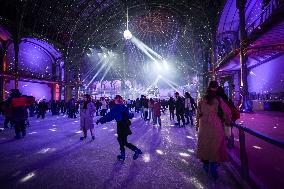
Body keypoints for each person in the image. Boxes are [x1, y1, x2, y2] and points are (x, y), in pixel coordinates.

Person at [196, 81, 231, 179]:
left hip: (204, 125)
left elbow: (198, 113)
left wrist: (197, 125)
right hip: (215, 124)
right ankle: (214, 169)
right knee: (216, 145)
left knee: (205, 145)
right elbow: (227, 112)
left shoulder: (202, 99)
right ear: (216, 88)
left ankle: (206, 166)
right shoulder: (218, 99)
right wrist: (226, 120)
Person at [96, 95, 142, 161]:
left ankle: (126, 154)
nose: (114, 100)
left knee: (122, 141)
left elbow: (109, 116)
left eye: (115, 99)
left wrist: (100, 120)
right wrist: (132, 114)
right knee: (123, 141)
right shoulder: (124, 107)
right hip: (125, 126)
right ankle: (133, 151)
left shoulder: (115, 108)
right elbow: (129, 115)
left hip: (120, 125)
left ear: (117, 100)